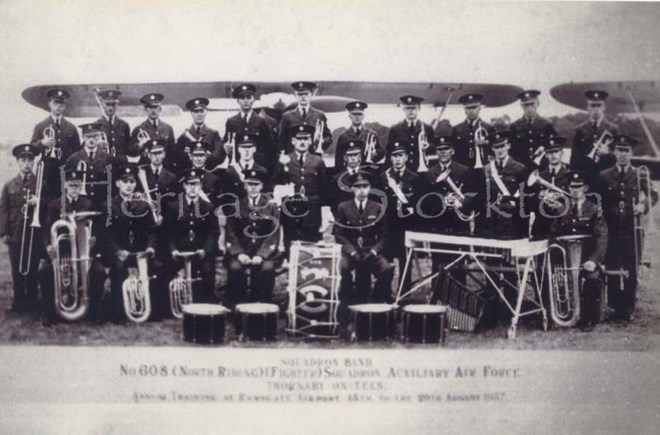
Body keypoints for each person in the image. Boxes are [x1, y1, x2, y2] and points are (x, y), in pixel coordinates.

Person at [39, 169, 106, 326]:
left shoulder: (88, 203)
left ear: (81, 185)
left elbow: (97, 229)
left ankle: (92, 312)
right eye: (71, 185)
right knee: (44, 272)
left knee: (99, 272)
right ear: (65, 185)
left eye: (77, 185)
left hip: (84, 252)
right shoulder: (55, 204)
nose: (74, 188)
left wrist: (94, 240)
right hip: (62, 251)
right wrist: (49, 246)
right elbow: (47, 229)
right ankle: (50, 312)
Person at [598, 135, 653, 322]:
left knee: (631, 268)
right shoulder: (604, 175)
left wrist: (643, 205)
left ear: (631, 153)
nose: (623, 155)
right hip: (612, 229)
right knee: (612, 267)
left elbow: (653, 194)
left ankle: (628, 307)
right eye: (620, 150)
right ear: (614, 152)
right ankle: (615, 306)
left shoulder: (639, 174)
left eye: (626, 151)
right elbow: (599, 200)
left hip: (632, 229)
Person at [550, 170, 608, 331]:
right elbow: (554, 233)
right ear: (568, 189)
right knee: (554, 276)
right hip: (566, 257)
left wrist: (593, 260)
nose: (575, 190)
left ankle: (588, 318)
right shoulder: (562, 208)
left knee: (591, 278)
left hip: (587, 256)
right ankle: (558, 315)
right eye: (572, 187)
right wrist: (555, 253)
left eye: (579, 187)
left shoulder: (595, 209)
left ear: (586, 188)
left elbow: (601, 238)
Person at [102, 164, 157, 323]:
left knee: (157, 267)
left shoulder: (143, 205)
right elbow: (106, 234)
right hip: (119, 252)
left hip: (140, 252)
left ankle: (152, 310)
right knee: (119, 269)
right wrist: (117, 251)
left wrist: (149, 247)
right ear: (118, 184)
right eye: (125, 181)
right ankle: (118, 312)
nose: (129, 185)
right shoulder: (109, 206)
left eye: (132, 182)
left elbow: (152, 230)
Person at [334, 171, 393, 307]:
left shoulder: (378, 208)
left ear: (369, 188)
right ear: (352, 189)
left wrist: (374, 251)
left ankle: (376, 301)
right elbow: (339, 234)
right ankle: (346, 300)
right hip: (351, 252)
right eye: (358, 187)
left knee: (387, 269)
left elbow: (384, 235)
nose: (361, 191)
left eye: (365, 187)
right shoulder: (343, 207)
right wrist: (352, 251)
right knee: (343, 267)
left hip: (370, 251)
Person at [0, 144, 47, 314]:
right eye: (23, 160)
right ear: (18, 163)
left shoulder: (41, 183)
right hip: (16, 233)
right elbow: (3, 209)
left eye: (30, 160)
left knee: (32, 268)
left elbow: (49, 208)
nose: (27, 164)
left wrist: (39, 202)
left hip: (34, 232)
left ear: (33, 163)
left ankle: (32, 301)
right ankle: (19, 303)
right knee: (17, 269)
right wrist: (4, 232)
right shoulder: (9, 185)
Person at [163, 168, 219, 306]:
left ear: (200, 186)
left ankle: (205, 302)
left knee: (207, 270)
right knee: (165, 269)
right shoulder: (174, 207)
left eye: (196, 184)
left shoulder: (209, 207)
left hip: (200, 252)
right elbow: (167, 233)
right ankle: (168, 305)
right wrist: (173, 250)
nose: (193, 188)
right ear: (184, 186)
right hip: (179, 252)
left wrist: (205, 250)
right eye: (189, 184)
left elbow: (214, 232)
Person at [224, 168, 280, 307]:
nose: (253, 188)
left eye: (256, 184)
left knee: (267, 268)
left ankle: (263, 305)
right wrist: (240, 254)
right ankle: (237, 306)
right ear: (245, 186)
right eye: (250, 184)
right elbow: (230, 233)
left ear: (261, 186)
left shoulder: (271, 207)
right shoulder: (236, 206)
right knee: (235, 268)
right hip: (241, 251)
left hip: (264, 253)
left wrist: (261, 255)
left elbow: (273, 235)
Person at [377, 141, 423, 293]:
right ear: (390, 158)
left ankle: (404, 293)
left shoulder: (415, 178)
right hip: (388, 224)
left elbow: (417, 203)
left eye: (400, 156)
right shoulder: (384, 177)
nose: (397, 159)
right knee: (387, 261)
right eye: (394, 156)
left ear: (406, 157)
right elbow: (379, 202)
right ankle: (385, 292)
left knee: (406, 260)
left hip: (406, 225)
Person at [274, 124, 329, 251]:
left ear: (310, 141)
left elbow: (324, 191)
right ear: (293, 141)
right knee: (291, 248)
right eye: (299, 139)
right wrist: (285, 188)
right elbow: (275, 185)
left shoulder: (318, 162)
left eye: (305, 139)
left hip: (312, 214)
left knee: (311, 249)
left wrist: (324, 216)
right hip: (290, 213)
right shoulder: (284, 160)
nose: (302, 142)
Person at [30, 88, 81, 199]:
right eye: (55, 102)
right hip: (46, 174)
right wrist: (42, 143)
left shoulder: (71, 128)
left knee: (62, 203)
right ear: (49, 104)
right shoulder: (40, 126)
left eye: (61, 103)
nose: (58, 106)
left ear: (65, 106)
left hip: (64, 173)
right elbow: (31, 150)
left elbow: (77, 153)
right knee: (45, 203)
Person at [478, 130, 529, 239]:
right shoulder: (486, 169)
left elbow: (524, 197)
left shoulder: (520, 169)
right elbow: (482, 196)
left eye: (502, 146)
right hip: (491, 221)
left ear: (508, 146)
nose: (500, 150)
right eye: (496, 147)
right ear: (492, 149)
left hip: (512, 221)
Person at [420, 136, 474, 235]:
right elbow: (426, 199)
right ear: (436, 153)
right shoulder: (429, 173)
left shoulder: (464, 170)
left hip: (459, 222)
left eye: (446, 149)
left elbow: (471, 194)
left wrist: (461, 202)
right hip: (438, 222)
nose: (443, 152)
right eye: (440, 150)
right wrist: (443, 202)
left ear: (452, 151)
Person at [224, 84, 276, 174]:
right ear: (238, 101)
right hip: (237, 168)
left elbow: (270, 148)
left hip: (258, 168)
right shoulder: (231, 122)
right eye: (242, 98)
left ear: (253, 100)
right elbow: (226, 142)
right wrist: (225, 146)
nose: (246, 101)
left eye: (248, 98)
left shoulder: (261, 122)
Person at [529, 137, 571, 239]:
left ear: (562, 153)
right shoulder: (540, 176)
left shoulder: (569, 175)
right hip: (541, 228)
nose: (553, 155)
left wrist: (561, 204)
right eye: (550, 152)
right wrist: (538, 196)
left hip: (562, 226)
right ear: (546, 155)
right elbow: (529, 203)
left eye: (556, 152)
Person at [65, 122, 115, 209]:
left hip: (102, 202)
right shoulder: (74, 158)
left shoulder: (108, 158)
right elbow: (67, 182)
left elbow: (113, 182)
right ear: (83, 137)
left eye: (95, 136)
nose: (91, 140)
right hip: (81, 203)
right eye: (88, 137)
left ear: (99, 137)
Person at [571, 90, 619, 177]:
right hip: (585, 175)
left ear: (604, 107)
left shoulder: (613, 129)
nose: (596, 109)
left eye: (599, 105)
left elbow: (618, 157)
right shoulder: (579, 130)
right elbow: (574, 158)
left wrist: (608, 153)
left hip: (606, 176)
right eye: (592, 105)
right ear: (587, 107)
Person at [278, 81, 332, 153]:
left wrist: (321, 142)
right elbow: (281, 140)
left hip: (313, 157)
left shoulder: (319, 115)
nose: (303, 97)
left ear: (311, 95)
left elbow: (328, 137)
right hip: (292, 159)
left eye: (306, 94)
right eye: (300, 94)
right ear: (295, 95)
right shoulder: (287, 116)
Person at [509, 90, 557, 170]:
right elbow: (511, 150)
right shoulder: (515, 126)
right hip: (521, 167)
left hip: (542, 167)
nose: (529, 108)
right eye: (526, 105)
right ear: (522, 106)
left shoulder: (547, 124)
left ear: (538, 104)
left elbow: (553, 145)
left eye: (532, 104)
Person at [386, 95, 436, 171]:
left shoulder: (427, 128)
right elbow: (389, 150)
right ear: (403, 109)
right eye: (408, 108)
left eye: (413, 108)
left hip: (422, 169)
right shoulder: (395, 129)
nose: (411, 111)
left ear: (419, 108)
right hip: (402, 169)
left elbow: (435, 146)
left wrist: (428, 145)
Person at [176, 97, 225, 170]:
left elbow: (219, 155)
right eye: (196, 111)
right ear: (191, 113)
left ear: (206, 112)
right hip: (190, 173)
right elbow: (177, 156)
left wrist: (206, 157)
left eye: (201, 111)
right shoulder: (184, 136)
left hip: (208, 172)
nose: (199, 114)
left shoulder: (213, 134)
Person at [130, 93, 176, 169]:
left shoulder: (168, 128)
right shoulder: (139, 129)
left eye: (155, 107)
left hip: (164, 169)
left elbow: (172, 152)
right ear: (145, 109)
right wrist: (140, 145)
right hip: (146, 168)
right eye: (150, 107)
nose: (153, 110)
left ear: (160, 109)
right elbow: (131, 152)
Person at [334, 101, 384, 170]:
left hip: (368, 170)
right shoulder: (343, 137)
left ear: (363, 115)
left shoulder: (372, 134)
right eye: (354, 114)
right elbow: (338, 161)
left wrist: (375, 154)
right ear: (350, 116)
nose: (357, 117)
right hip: (350, 173)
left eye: (359, 114)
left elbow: (381, 153)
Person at [451, 93, 495, 170]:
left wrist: (486, 143)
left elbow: (494, 149)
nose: (471, 111)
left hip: (483, 167)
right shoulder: (456, 129)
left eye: (474, 107)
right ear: (464, 109)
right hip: (463, 168)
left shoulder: (489, 128)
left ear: (479, 108)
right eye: (468, 108)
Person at [94, 90, 132, 161]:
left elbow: (129, 149)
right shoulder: (96, 125)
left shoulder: (124, 125)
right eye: (107, 104)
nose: (110, 108)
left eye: (113, 104)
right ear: (102, 105)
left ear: (117, 105)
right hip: (105, 165)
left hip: (121, 165)